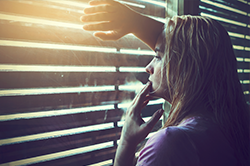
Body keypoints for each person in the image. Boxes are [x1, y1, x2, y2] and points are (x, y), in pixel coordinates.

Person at [81, 0, 250, 165]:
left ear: (186, 68)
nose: (148, 67)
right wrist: (134, 22)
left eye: (157, 57)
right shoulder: (237, 127)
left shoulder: (171, 145)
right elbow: (183, 46)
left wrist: (126, 142)